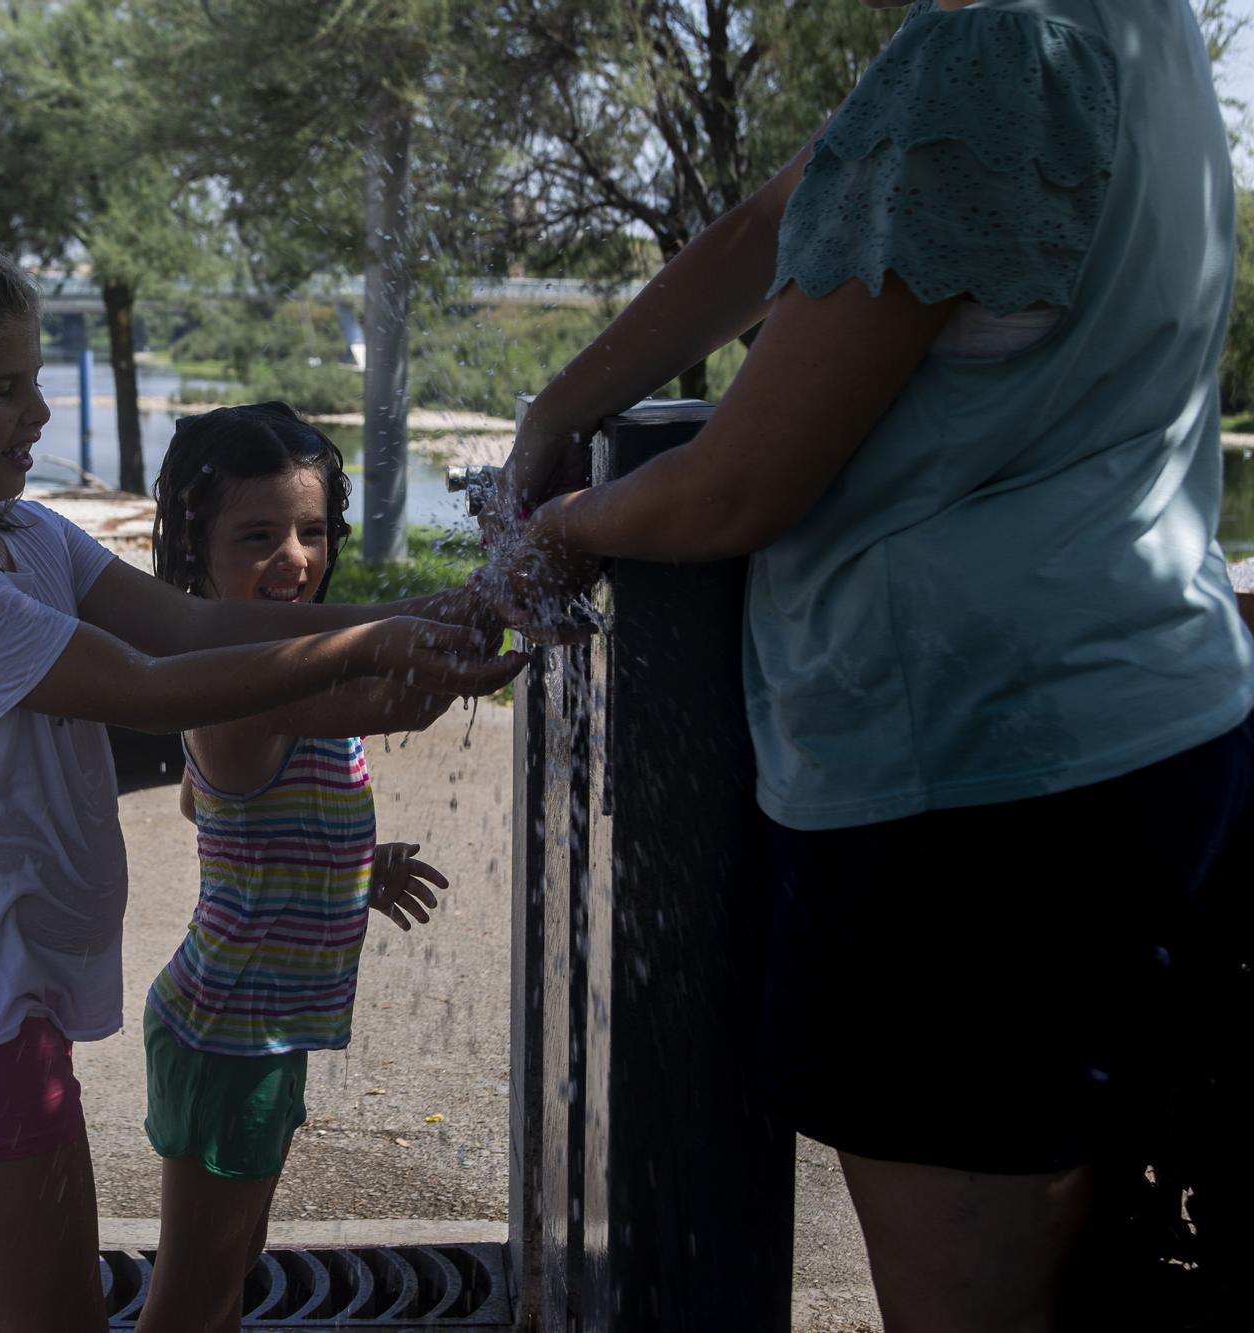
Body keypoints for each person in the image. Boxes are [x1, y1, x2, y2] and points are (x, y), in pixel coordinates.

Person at [479, 1, 1254, 1328]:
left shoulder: (989, 45)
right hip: (1152, 725)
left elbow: (737, 489)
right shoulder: (1120, 22)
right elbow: (781, 216)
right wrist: (561, 410)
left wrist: (561, 533)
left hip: (968, 786)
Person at [0, 240, 524, 1333]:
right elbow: (150, 683)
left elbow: (191, 622)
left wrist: (428, 612)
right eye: (3, 389)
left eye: (34, 378)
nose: (37, 412)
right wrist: (382, 641)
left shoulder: (18, 535)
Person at [129, 404, 455, 1333]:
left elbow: (209, 805)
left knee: (228, 1274)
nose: (296, 558)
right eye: (259, 535)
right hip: (231, 1032)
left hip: (250, 1028)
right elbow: (406, 697)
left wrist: (347, 862)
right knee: (193, 1296)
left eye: (313, 532)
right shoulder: (256, 681)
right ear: (196, 551)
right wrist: (497, 606)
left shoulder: (254, 677)